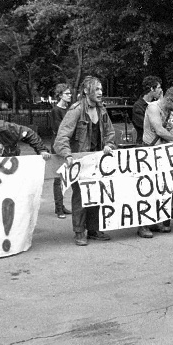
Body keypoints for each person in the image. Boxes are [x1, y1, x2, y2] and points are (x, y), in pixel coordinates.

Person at [53, 76, 116, 246]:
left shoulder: (102, 110)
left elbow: (110, 133)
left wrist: (109, 144)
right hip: (80, 162)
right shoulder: (76, 110)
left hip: (97, 162)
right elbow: (61, 137)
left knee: (96, 194)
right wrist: (67, 155)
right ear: (87, 91)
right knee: (81, 196)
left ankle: (94, 229)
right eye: (97, 89)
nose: (101, 92)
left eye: (101, 89)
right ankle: (79, 231)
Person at [138, 84, 173, 237]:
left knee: (164, 188)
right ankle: (143, 225)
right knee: (148, 189)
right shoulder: (153, 108)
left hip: (163, 154)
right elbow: (159, 129)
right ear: (169, 99)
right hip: (149, 152)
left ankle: (158, 220)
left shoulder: (172, 111)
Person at [48, 83, 75, 218]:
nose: (70, 96)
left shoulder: (69, 109)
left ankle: (61, 206)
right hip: (58, 145)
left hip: (68, 144)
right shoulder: (56, 111)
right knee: (58, 177)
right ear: (60, 95)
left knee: (67, 176)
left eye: (70, 93)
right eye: (67, 93)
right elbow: (58, 129)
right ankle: (59, 208)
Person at [132, 76, 162, 144]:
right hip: (144, 144)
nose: (161, 90)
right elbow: (148, 126)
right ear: (152, 89)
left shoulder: (157, 105)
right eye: (159, 87)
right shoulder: (138, 107)